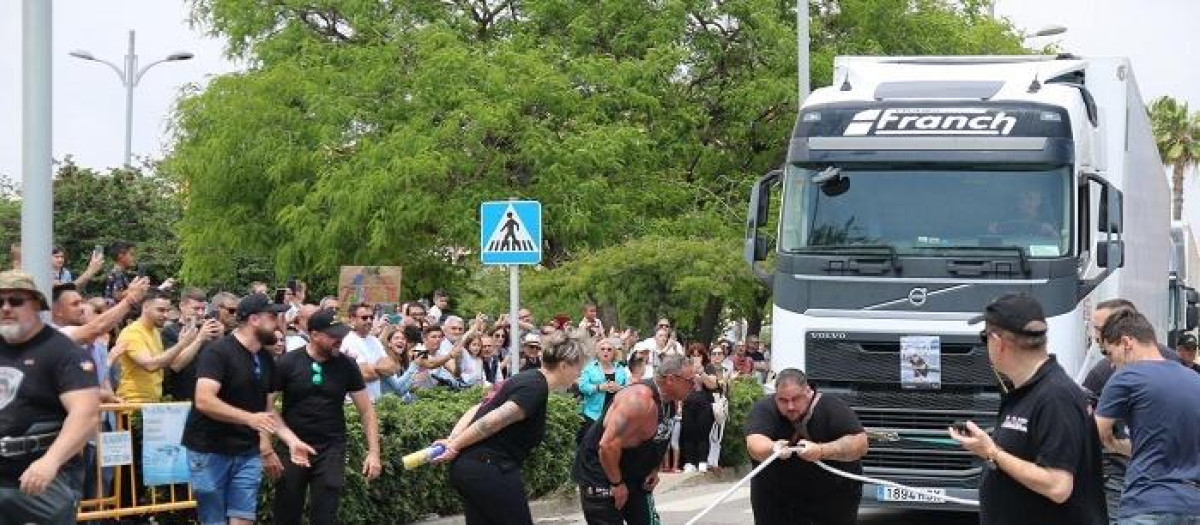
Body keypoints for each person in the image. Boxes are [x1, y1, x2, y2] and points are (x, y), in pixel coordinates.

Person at [953, 293, 1107, 525]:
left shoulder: (1055, 396)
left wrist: (992, 452)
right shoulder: (1028, 392)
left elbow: (1058, 486)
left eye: (984, 338)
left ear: (998, 342)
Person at [183, 293, 314, 525]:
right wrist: (248, 418)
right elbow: (204, 400)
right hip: (209, 449)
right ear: (254, 319)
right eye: (273, 317)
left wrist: (291, 440)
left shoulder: (265, 359)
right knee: (214, 520)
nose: (278, 324)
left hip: (246, 452)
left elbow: (267, 411)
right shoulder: (217, 352)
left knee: (243, 518)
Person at [433, 329, 588, 525]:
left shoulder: (529, 378)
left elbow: (478, 408)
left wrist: (453, 438)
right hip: (488, 468)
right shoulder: (535, 388)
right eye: (579, 367)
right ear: (564, 366)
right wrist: (454, 444)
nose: (580, 373)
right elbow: (491, 422)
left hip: (473, 467)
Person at [0, 270, 100, 524]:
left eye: (16, 301)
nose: (6, 308)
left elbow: (85, 415)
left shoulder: (62, 351)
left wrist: (50, 462)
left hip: (41, 480)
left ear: (35, 304)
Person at [267, 309, 382, 525]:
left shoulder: (347, 365)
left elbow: (366, 411)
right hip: (293, 447)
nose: (339, 340)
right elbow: (266, 407)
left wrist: (374, 453)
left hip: (331, 447)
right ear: (314, 334)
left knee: (325, 511)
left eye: (341, 335)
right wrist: (270, 447)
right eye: (333, 336)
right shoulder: (287, 363)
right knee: (286, 511)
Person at [1093, 309, 1200, 523]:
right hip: (1192, 507)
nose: (1111, 364)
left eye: (1109, 353)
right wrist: (1118, 446)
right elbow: (1163, 449)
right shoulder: (1194, 380)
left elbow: (1087, 437)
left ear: (1126, 342)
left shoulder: (1127, 377)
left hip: (1146, 505)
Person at [572, 354, 695, 525]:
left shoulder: (670, 402)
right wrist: (616, 483)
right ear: (671, 379)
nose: (694, 385)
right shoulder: (637, 400)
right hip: (602, 476)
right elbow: (607, 445)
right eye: (690, 380)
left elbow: (659, 436)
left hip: (634, 476)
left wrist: (653, 468)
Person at [743, 369, 868, 524]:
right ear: (775, 396)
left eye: (796, 399)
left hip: (832, 496)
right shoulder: (764, 409)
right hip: (776, 497)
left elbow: (860, 444)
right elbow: (754, 443)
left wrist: (821, 451)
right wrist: (772, 447)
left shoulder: (833, 407)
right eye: (783, 400)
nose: (790, 406)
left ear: (808, 392)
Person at [577, 338, 630, 444]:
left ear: (614, 352)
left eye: (609, 349)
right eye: (603, 349)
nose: (606, 352)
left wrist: (619, 388)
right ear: (597, 351)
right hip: (592, 414)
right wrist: (598, 388)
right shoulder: (590, 368)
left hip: (614, 414)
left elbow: (629, 389)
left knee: (608, 444)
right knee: (589, 444)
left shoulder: (620, 369)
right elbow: (582, 387)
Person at [680, 344, 719, 473]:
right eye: (693, 355)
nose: (696, 358)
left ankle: (703, 461)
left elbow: (713, 384)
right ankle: (690, 462)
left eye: (699, 355)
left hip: (704, 403)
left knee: (703, 433)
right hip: (688, 403)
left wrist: (701, 372)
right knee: (688, 433)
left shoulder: (709, 367)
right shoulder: (685, 367)